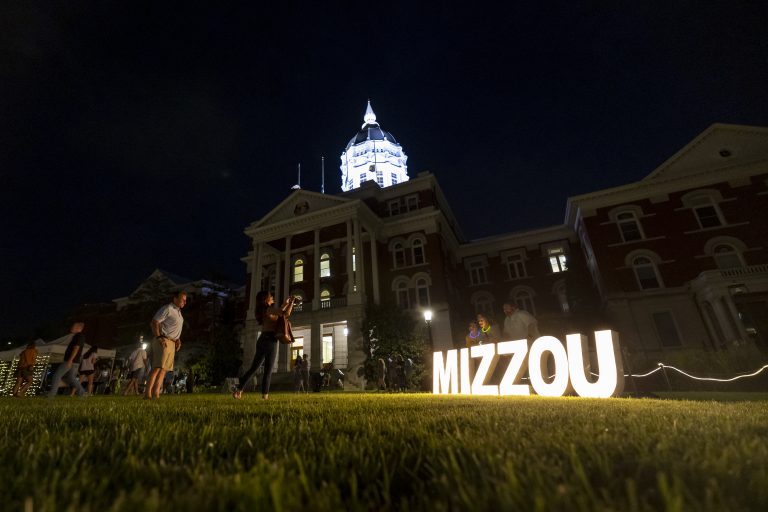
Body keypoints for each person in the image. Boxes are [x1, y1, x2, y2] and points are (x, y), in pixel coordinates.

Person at [233, 291, 296, 400]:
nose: (272, 297)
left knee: (254, 368)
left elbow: (283, 312)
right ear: (266, 299)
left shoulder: (266, 310)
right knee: (268, 370)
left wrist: (287, 303)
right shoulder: (268, 309)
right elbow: (284, 313)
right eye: (270, 296)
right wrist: (290, 303)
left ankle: (239, 390)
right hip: (270, 340)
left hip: (263, 339)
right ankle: (265, 396)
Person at [145, 291, 187, 400]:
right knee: (157, 367)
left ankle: (156, 394)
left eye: (185, 300)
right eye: (182, 299)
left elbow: (174, 328)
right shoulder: (168, 308)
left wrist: (178, 340)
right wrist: (159, 337)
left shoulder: (178, 312)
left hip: (172, 343)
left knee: (164, 370)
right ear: (175, 299)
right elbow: (154, 322)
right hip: (163, 340)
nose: (185, 302)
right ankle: (147, 394)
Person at [47, 322, 87, 398]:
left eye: (73, 326)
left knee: (57, 375)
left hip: (71, 361)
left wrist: (70, 360)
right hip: (75, 362)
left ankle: (51, 394)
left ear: (78, 328)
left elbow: (76, 348)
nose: (71, 327)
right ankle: (82, 393)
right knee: (71, 378)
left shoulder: (79, 336)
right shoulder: (79, 336)